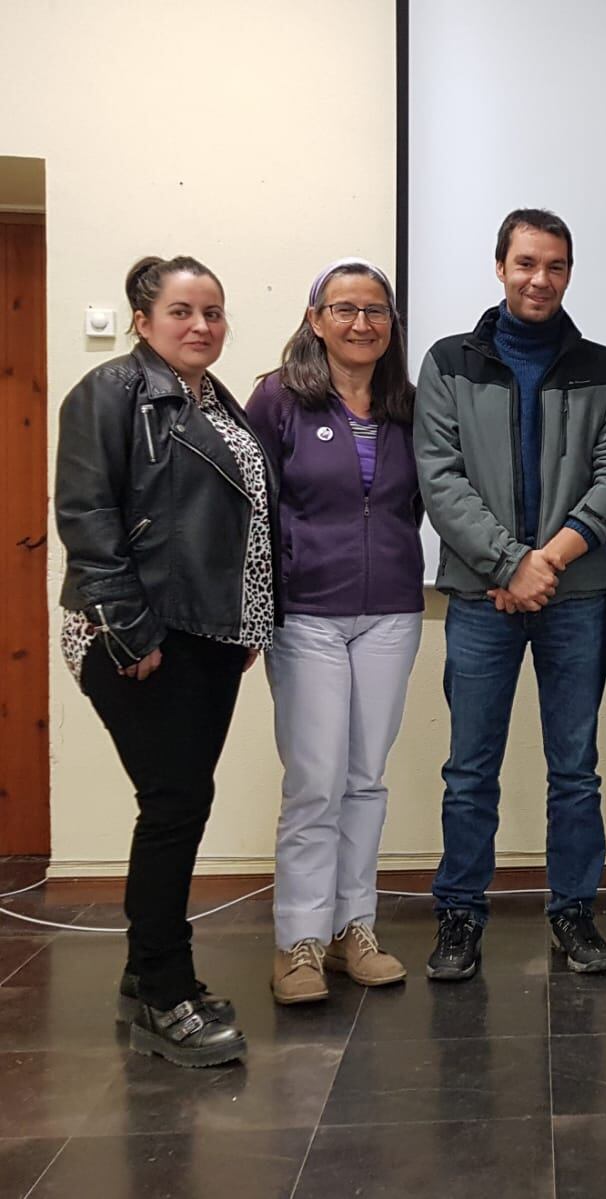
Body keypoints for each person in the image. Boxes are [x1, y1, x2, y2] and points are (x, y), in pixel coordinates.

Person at [55, 255, 277, 1066]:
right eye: (182, 311)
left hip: (203, 632)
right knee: (175, 801)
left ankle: (140, 974)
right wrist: (129, 631)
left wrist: (245, 620)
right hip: (141, 633)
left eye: (213, 311)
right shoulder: (110, 392)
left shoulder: (212, 398)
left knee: (182, 798)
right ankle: (163, 990)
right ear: (143, 320)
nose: (202, 325)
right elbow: (87, 515)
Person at [415, 208, 606, 978]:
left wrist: (547, 560)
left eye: (555, 265)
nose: (539, 279)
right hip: (482, 597)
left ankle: (573, 910)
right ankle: (459, 914)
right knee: (469, 769)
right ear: (500, 266)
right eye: (525, 263)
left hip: (576, 597)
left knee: (575, 769)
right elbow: (440, 478)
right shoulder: (448, 362)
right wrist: (509, 564)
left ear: (569, 272)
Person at [246, 258, 422, 1005]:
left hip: (391, 611)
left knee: (364, 778)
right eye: (344, 309)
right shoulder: (277, 398)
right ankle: (299, 941)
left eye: (375, 310)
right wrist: (256, 608)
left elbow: (415, 502)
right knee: (315, 782)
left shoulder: (408, 404)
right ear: (315, 319)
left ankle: (356, 929)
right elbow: (251, 505)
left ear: (391, 324)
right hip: (307, 613)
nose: (361, 323)